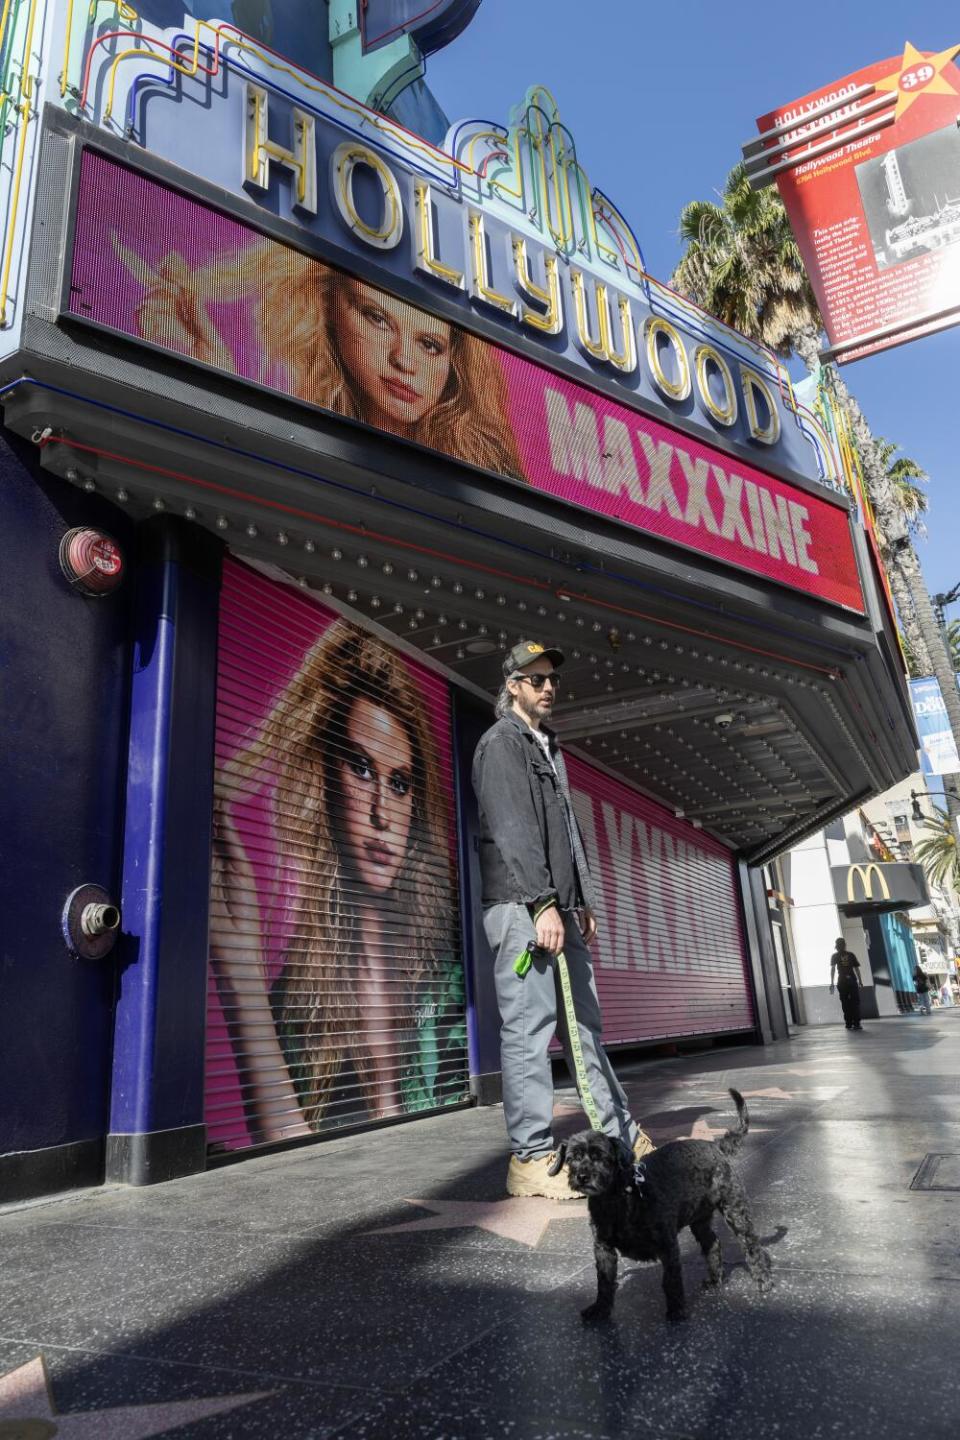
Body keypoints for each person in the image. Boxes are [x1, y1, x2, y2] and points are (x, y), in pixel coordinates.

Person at [210, 619, 465, 1144]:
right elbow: (292, 1159)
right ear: (325, 780)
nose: (380, 813)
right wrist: (240, 969)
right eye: (361, 768)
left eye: (399, 783)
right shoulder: (298, 1005)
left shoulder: (454, 988)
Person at [472, 640, 655, 1200]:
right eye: (535, 679)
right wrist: (542, 903)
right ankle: (529, 1158)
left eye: (552, 678)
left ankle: (618, 1132)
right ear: (512, 686)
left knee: (584, 1029)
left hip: (557, 908)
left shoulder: (547, 746)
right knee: (528, 1032)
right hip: (523, 908)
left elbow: (567, 837)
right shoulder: (501, 745)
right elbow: (514, 831)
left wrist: (582, 900)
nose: (547, 687)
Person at [116, 236, 525, 479]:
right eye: (377, 318)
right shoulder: (308, 427)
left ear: (454, 361)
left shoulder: (483, 477)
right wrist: (219, 390)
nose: (405, 361)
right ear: (329, 309)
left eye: (430, 345)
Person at [829, 937, 863, 1030]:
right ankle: (857, 1023)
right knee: (855, 1002)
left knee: (845, 1002)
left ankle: (848, 1023)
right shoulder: (851, 955)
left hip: (842, 981)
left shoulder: (834, 956)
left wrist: (832, 982)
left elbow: (832, 970)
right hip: (852, 980)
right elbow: (856, 969)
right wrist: (860, 981)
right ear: (845, 945)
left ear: (837, 946)